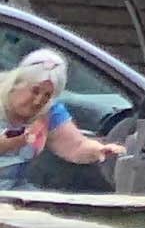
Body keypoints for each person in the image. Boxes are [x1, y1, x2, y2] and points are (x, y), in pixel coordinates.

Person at [1, 50, 119, 193]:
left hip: (15, 190)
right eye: (35, 91)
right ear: (17, 84)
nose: (39, 101)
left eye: (47, 95)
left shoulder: (49, 111)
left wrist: (98, 150)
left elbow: (76, 145)